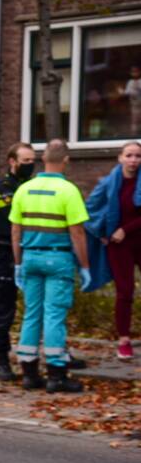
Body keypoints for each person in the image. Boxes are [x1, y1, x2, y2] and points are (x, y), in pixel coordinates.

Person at [10, 139, 90, 393]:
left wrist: (18, 263)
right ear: (65, 160)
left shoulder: (25, 189)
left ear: (43, 159)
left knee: (31, 314)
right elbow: (77, 232)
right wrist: (85, 266)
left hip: (31, 258)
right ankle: (56, 375)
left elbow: (15, 230)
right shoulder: (69, 191)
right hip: (58, 259)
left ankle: (29, 373)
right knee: (54, 315)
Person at [84, 141, 141, 360]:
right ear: (120, 158)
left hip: (134, 237)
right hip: (119, 246)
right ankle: (124, 340)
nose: (133, 160)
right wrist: (102, 233)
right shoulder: (109, 183)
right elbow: (91, 209)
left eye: (137, 156)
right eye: (129, 155)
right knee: (124, 292)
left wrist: (124, 229)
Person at [0, 142, 36, 381]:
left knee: (41, 307)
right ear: (12, 162)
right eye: (25, 161)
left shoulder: (31, 186)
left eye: (32, 160)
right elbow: (12, 222)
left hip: (30, 252)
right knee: (5, 308)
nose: (30, 165)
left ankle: (54, 354)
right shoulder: (3, 188)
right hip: (5, 253)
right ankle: (1, 359)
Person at [126, 66, 141, 135]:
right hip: (134, 105)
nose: (135, 73)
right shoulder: (130, 82)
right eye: (133, 72)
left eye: (136, 71)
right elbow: (127, 92)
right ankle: (134, 135)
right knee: (134, 122)